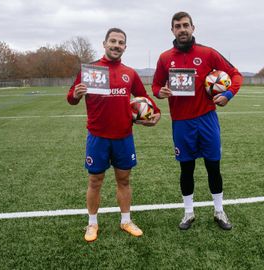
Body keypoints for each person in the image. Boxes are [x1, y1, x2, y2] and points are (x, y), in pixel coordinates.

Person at [67, 28, 161, 242]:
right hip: (98, 136)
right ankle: (92, 224)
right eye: (113, 41)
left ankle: (126, 220)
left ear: (125, 47)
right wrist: (75, 94)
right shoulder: (90, 71)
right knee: (95, 180)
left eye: (120, 42)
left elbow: (143, 96)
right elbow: (71, 99)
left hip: (124, 137)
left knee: (124, 180)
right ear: (104, 43)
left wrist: (156, 112)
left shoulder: (130, 72)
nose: (116, 45)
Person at [152, 12, 242, 230]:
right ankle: (188, 213)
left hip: (207, 119)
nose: (182, 29)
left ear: (193, 28)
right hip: (181, 123)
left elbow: (236, 74)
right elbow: (155, 86)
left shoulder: (208, 53)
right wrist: (160, 92)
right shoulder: (165, 58)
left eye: (185, 25)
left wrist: (228, 94)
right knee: (186, 169)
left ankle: (219, 211)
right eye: (177, 26)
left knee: (213, 167)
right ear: (172, 30)